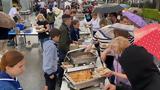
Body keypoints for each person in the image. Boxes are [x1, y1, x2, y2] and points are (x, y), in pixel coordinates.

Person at [58, 14, 72, 88]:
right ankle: (61, 83)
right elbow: (62, 44)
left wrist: (71, 41)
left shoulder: (65, 27)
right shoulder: (63, 29)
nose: (71, 21)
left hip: (63, 50)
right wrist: (69, 51)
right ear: (66, 21)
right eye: (70, 20)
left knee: (62, 66)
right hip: (63, 52)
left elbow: (66, 40)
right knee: (62, 67)